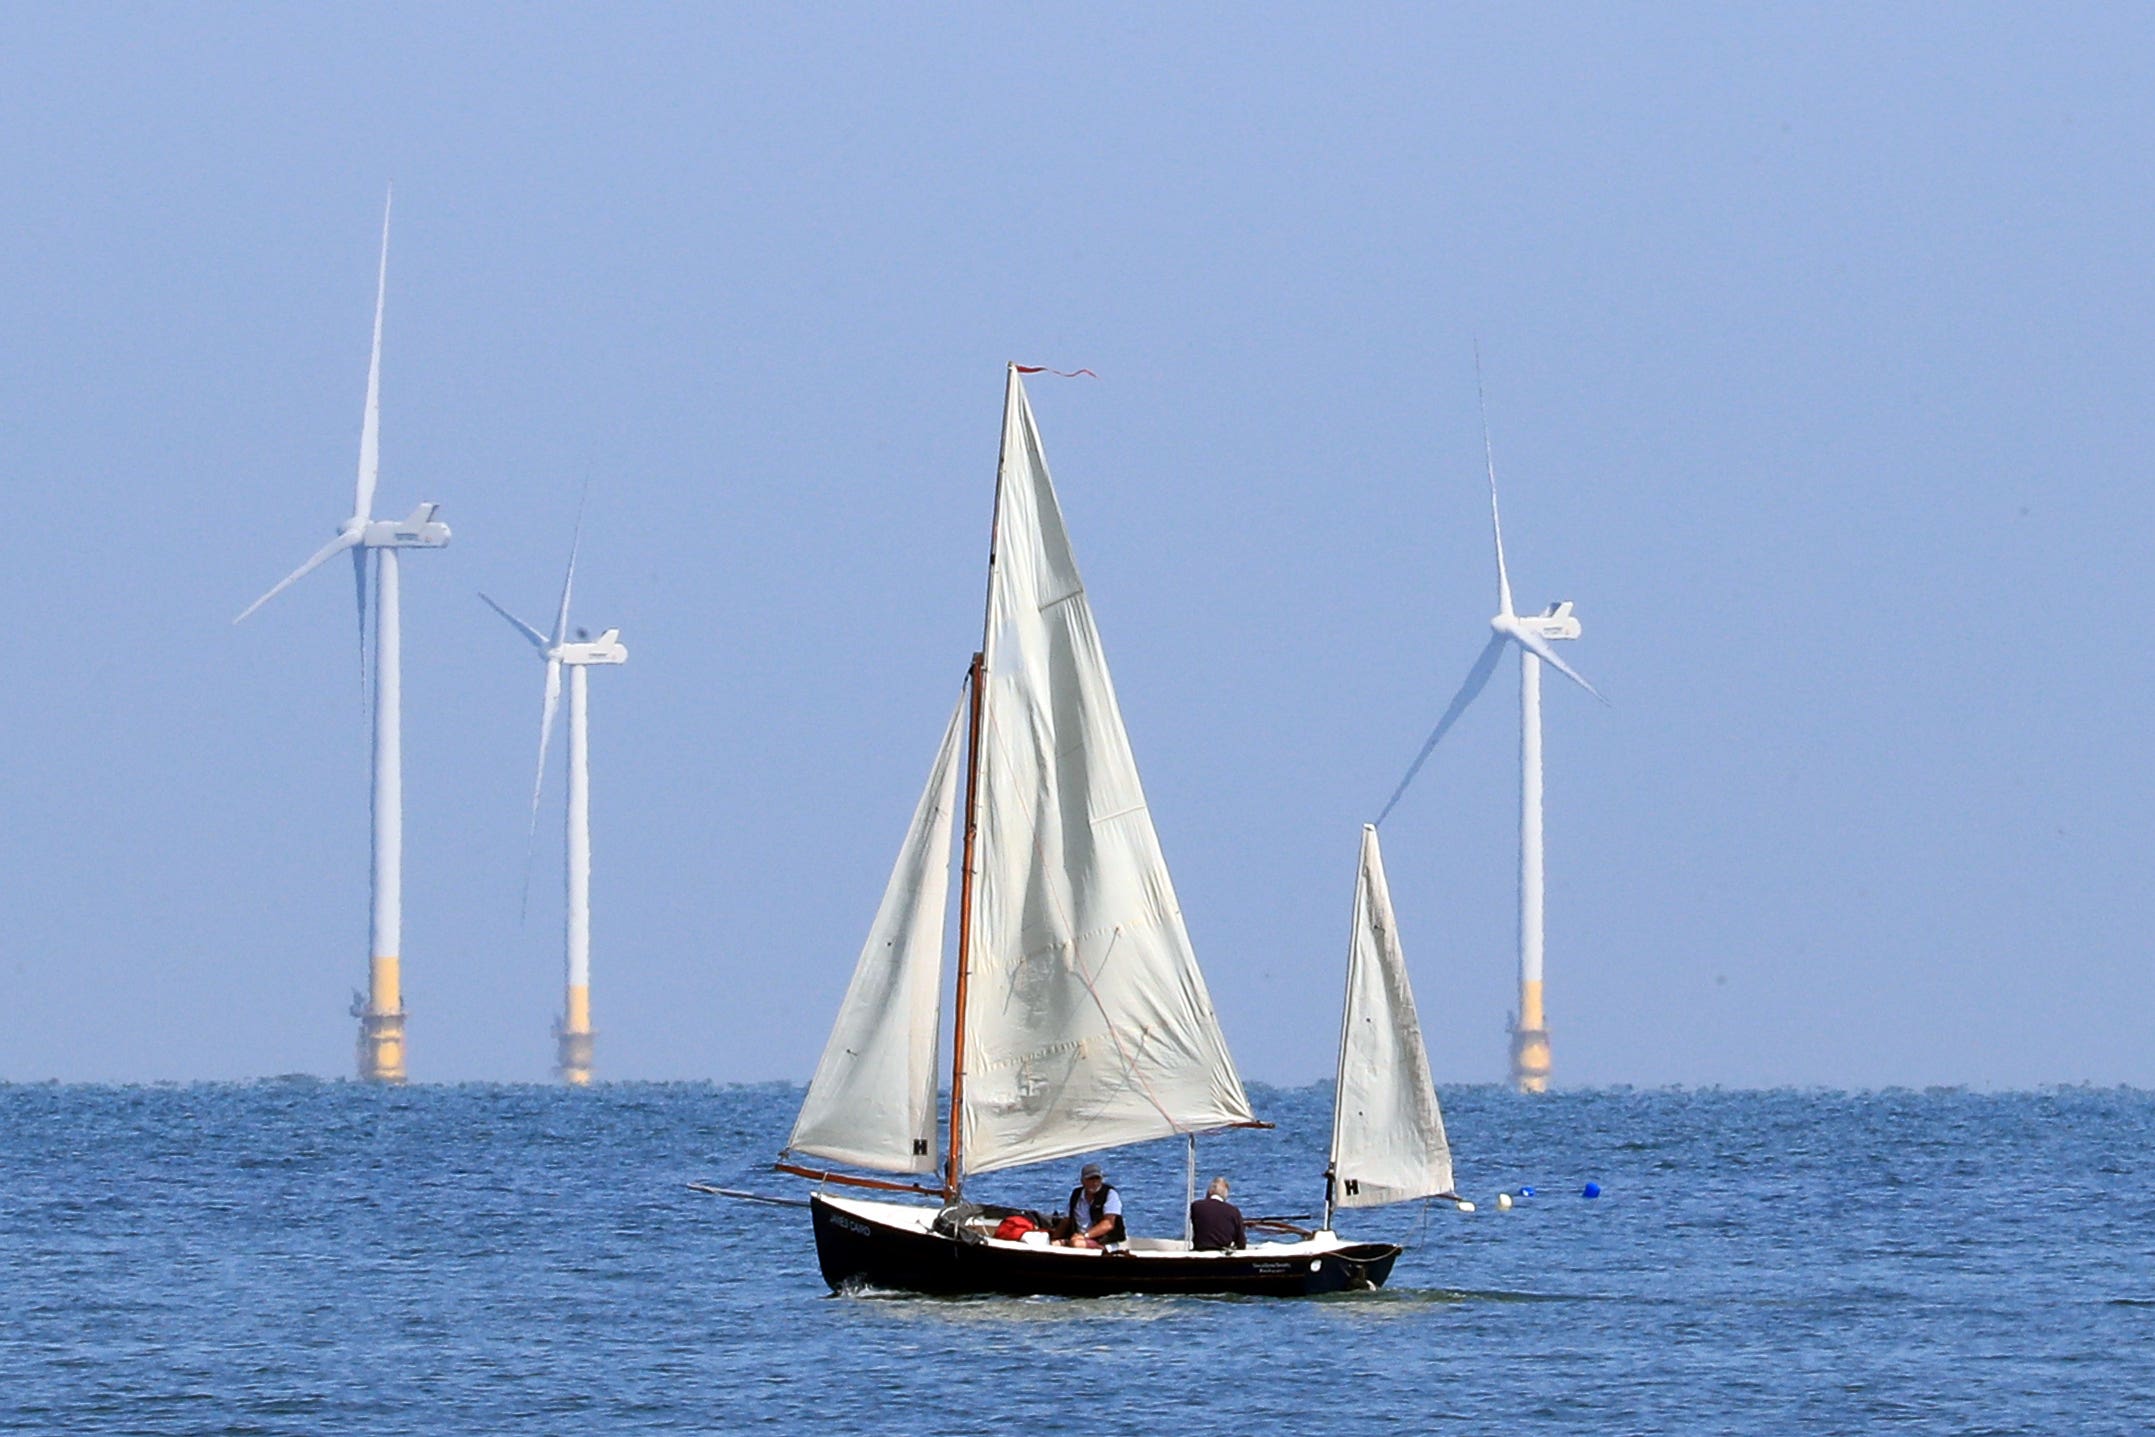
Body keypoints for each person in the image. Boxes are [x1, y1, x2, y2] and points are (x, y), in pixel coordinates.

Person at [1051, 1162, 1126, 1247]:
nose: (1095, 1183)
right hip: (1077, 1238)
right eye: (1091, 1179)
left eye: (1097, 1179)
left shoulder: (1110, 1194)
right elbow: (1066, 1220)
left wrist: (1085, 1236)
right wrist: (1054, 1238)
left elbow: (1108, 1224)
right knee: (1055, 1244)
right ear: (1082, 1181)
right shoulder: (1076, 1195)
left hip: (1103, 1242)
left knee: (1077, 1244)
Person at [1188, 1175, 1246, 1251]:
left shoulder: (1196, 1206)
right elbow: (1241, 1243)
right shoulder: (1233, 1211)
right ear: (1225, 1194)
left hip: (1201, 1252)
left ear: (1209, 1192)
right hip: (1223, 1255)